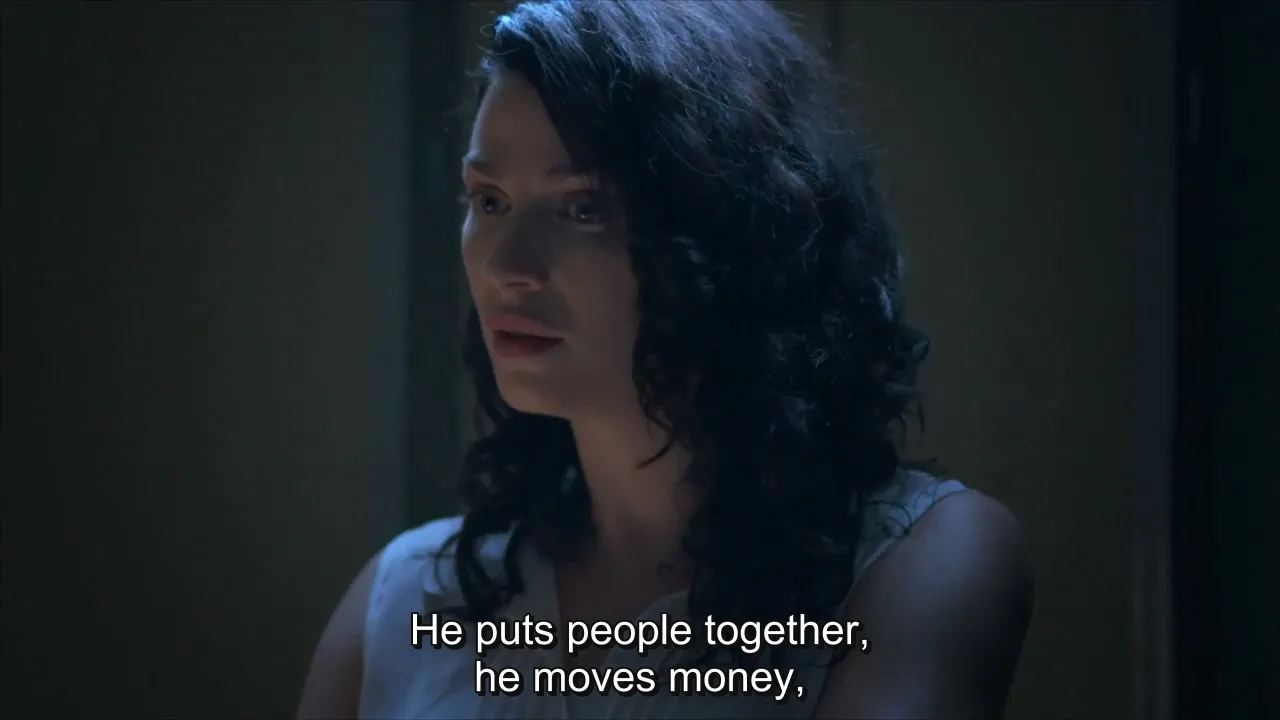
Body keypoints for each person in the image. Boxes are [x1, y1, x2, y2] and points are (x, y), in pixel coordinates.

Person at [298, 1, 1033, 718]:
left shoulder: (922, 559)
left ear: (724, 232)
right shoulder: (402, 601)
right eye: (489, 202)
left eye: (583, 208)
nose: (506, 267)